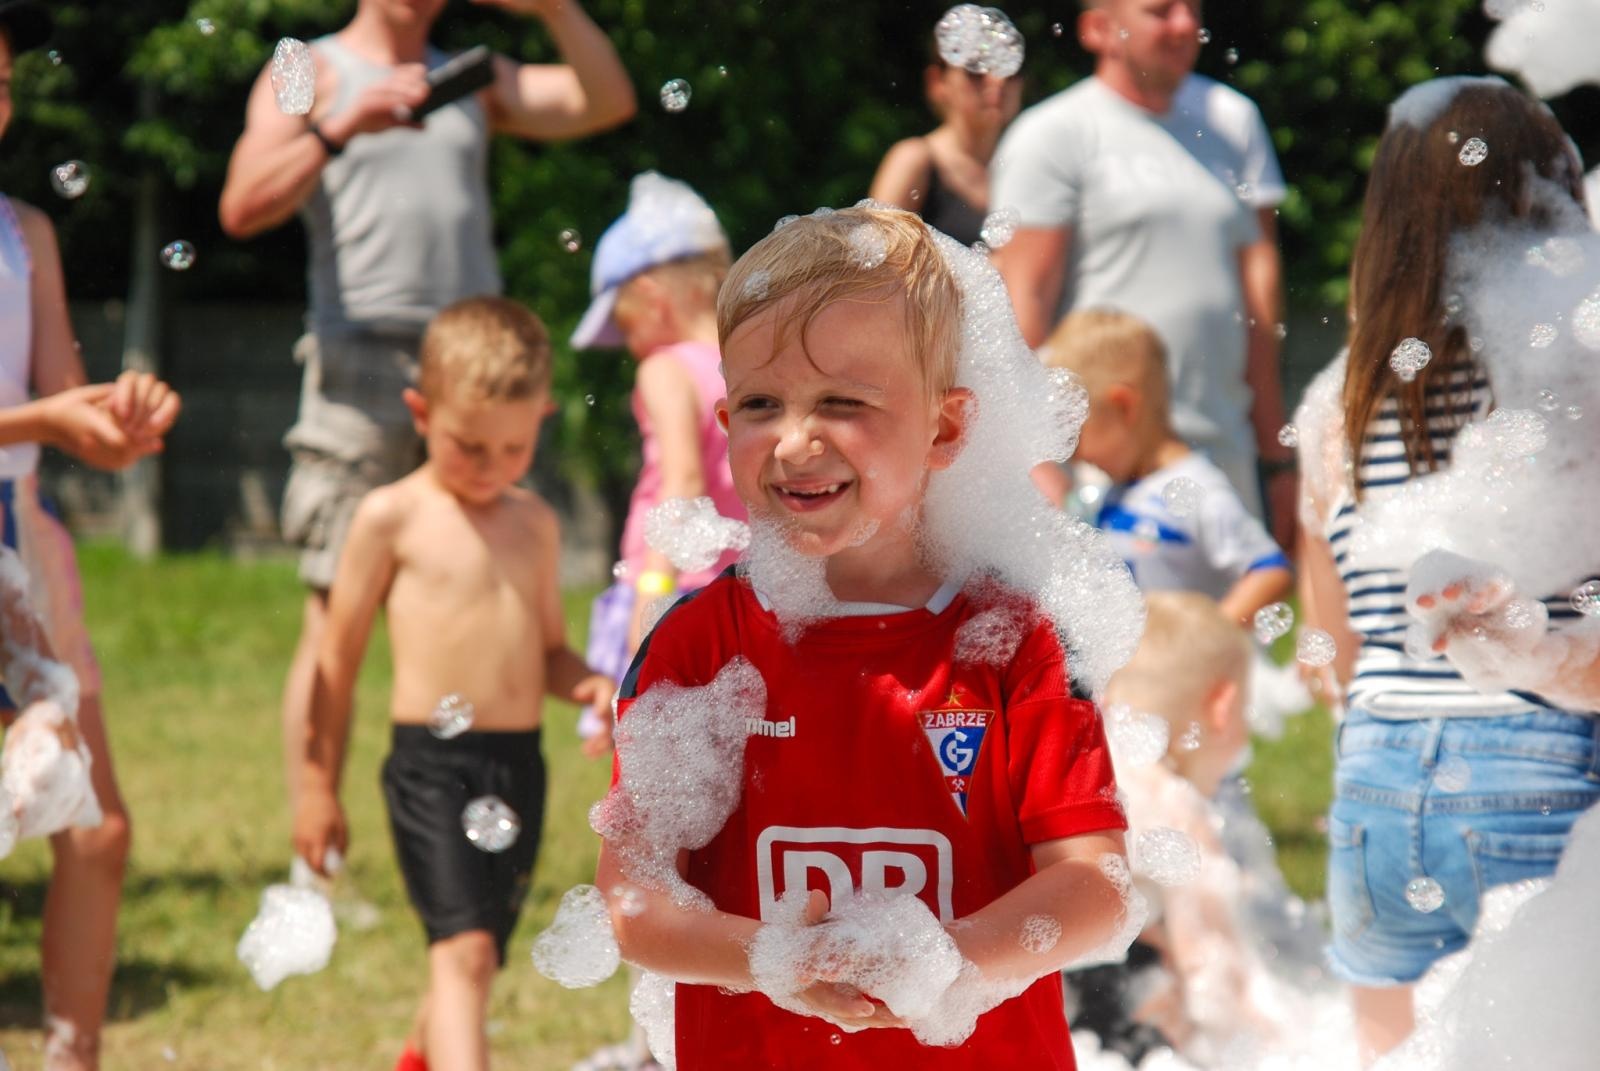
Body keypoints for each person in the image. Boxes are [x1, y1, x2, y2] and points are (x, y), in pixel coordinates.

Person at [595, 206, 1135, 1069]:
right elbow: (630, 900)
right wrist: (774, 960)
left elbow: (1096, 883)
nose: (797, 439)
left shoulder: (1012, 641)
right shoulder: (700, 647)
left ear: (947, 428)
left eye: (842, 402)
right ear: (726, 421)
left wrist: (949, 960)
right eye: (762, 404)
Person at [216, 0, 634, 816]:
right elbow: (240, 205)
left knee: (479, 598)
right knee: (332, 612)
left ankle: (453, 817)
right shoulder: (306, 67)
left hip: (472, 373)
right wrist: (340, 126)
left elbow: (607, 100)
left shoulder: (468, 76)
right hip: (359, 361)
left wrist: (552, 8)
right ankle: (316, 840)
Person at [1293, 79, 1600, 1064]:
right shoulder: (1569, 383)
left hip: (1374, 772)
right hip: (1537, 761)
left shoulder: (1333, 403)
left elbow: (1326, 639)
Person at [290, 296, 615, 1071]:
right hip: (430, 767)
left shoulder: (535, 523)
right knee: (464, 949)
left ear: (543, 415)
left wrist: (592, 684)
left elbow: (547, 654)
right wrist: (314, 785)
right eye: (469, 444)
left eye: (513, 446)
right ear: (420, 412)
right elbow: (335, 663)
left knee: (477, 954)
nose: (490, 465)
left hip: (517, 767)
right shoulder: (389, 518)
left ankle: (418, 1054)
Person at [1, 5, 183, 1068]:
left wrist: (122, 421)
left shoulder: (25, 235)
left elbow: (65, 411)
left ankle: (73, 1059)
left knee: (97, 832)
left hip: (28, 541)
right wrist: (44, 424)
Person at [990, 0, 1295, 545]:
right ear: (1098, 28)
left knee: (1234, 629)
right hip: (1104, 468)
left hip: (1222, 451)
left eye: (1192, 9)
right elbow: (1018, 315)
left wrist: (1275, 457)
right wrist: (1041, 474)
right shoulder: (1054, 133)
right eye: (1160, 10)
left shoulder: (1233, 119)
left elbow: (1259, 302)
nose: (1185, 25)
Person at [569, 172, 745, 760]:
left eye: (623, 324)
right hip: (741, 593)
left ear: (652, 295)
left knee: (653, 772)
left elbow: (683, 482)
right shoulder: (751, 361)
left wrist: (651, 592)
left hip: (677, 587)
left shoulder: (665, 370)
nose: (628, 344)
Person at [1040, 308, 1290, 626]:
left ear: (1124, 406)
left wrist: (1202, 642)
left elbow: (1270, 572)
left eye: (1075, 434)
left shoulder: (1198, 489)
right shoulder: (1116, 492)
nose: (1071, 455)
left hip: (1180, 671)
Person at [868, 8, 1024, 246]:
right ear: (937, 82)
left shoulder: (1025, 164)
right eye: (976, 69)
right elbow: (873, 263)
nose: (998, 80)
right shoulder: (914, 160)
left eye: (1009, 69)